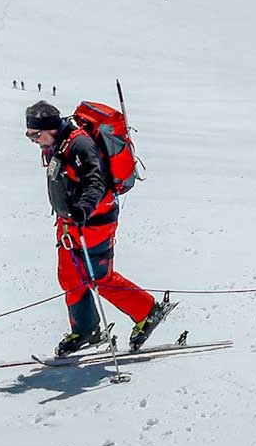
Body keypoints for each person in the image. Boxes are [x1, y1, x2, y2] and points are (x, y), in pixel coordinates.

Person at [24, 100, 167, 355]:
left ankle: (147, 311)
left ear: (50, 128)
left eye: (35, 134)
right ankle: (86, 329)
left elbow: (95, 182)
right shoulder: (58, 143)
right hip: (70, 224)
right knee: (70, 276)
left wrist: (83, 209)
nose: (34, 140)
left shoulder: (80, 145)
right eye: (29, 135)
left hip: (94, 223)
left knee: (98, 276)